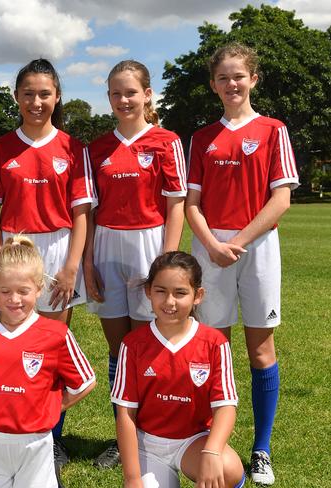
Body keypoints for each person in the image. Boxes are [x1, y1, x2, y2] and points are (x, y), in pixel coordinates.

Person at [186, 42, 299, 485]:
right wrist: (213, 244)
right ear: (213, 85)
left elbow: (282, 197)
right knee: (213, 350)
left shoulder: (273, 129)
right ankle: (208, 439)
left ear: (253, 78)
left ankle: (261, 449)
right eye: (222, 77)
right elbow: (191, 202)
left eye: (238, 76)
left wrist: (239, 241)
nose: (231, 84)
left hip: (257, 249)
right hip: (210, 250)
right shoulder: (200, 137)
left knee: (259, 350)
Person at [0, 58, 95, 476]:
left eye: (45, 93)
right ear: (16, 97)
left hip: (59, 246)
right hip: (12, 247)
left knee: (50, 346)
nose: (36, 101)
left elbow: (81, 214)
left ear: (57, 96)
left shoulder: (73, 147)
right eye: (28, 93)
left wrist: (70, 267)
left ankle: (51, 435)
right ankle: (8, 425)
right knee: (9, 341)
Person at [83, 59, 187, 468]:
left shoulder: (165, 140)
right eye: (115, 93)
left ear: (147, 94)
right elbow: (89, 210)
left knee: (148, 347)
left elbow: (176, 203)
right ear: (108, 97)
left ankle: (151, 437)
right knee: (119, 349)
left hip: (150, 245)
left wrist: (167, 264)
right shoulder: (98, 148)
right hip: (108, 245)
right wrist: (89, 261)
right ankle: (123, 436)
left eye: (131, 92)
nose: (123, 99)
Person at [0, 236, 96, 488]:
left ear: (39, 289)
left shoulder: (56, 334)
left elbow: (85, 383)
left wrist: (49, 408)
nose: (14, 299)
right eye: (5, 291)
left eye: (23, 291)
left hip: (35, 441)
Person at [113, 251, 245, 488]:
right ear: (148, 292)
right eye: (160, 291)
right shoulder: (133, 344)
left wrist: (212, 452)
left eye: (180, 293)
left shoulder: (214, 343)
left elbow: (225, 406)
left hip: (194, 441)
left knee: (227, 469)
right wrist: (132, 478)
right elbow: (125, 414)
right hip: (148, 445)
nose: (169, 301)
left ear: (198, 296)